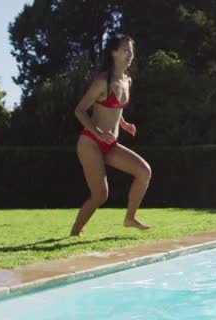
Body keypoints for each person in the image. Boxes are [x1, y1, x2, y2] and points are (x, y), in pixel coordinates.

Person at [70, 34, 151, 236]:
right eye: (125, 50)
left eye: (131, 50)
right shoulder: (102, 81)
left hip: (110, 144)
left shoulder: (127, 80)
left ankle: (129, 217)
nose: (129, 54)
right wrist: (97, 132)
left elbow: (115, 109)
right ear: (113, 52)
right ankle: (75, 232)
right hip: (90, 142)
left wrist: (124, 124)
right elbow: (79, 110)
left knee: (144, 172)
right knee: (100, 195)